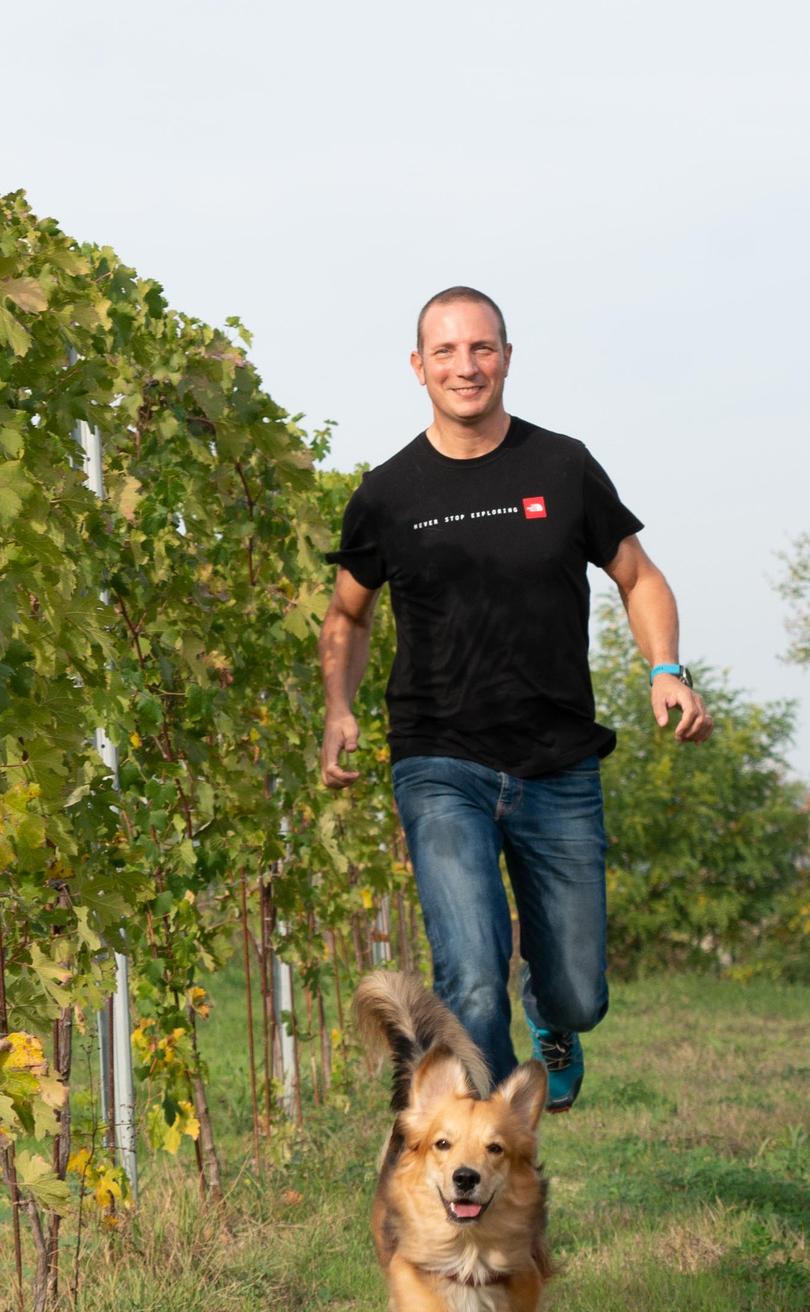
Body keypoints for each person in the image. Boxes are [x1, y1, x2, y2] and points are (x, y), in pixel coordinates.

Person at [319, 286, 711, 1112]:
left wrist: (665, 668)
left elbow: (638, 576)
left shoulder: (562, 466)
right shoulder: (387, 493)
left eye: (482, 348)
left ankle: (553, 1018)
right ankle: (493, 1140)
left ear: (506, 357)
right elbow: (347, 614)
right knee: (468, 969)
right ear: (418, 366)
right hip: (439, 760)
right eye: (447, 351)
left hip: (557, 760)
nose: (466, 366)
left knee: (579, 988)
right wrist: (339, 708)